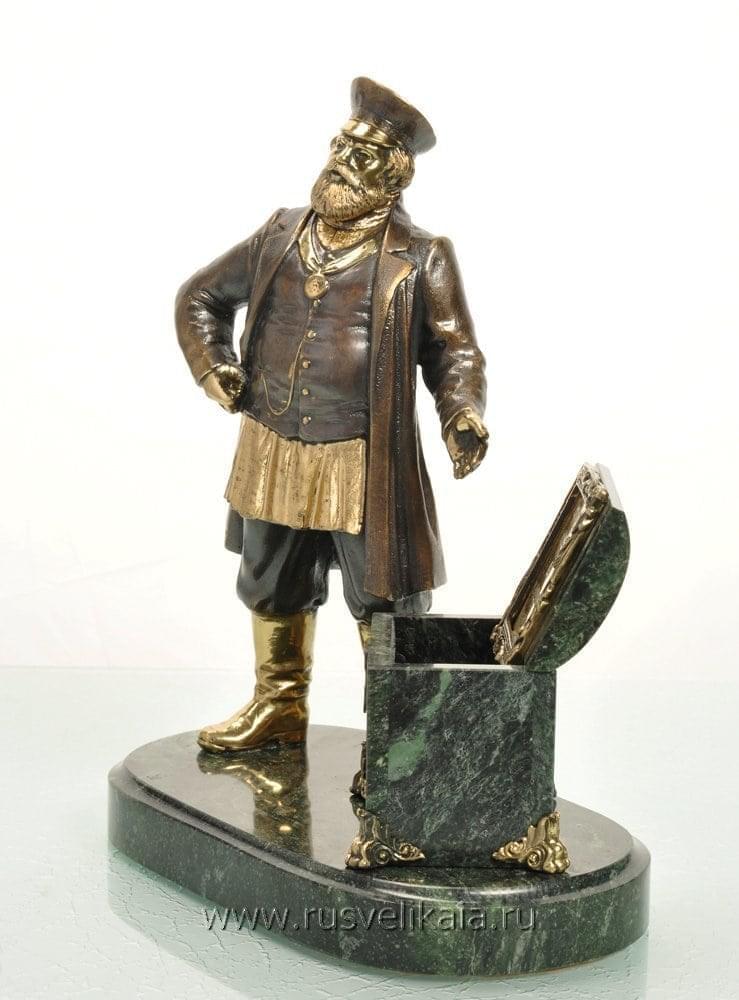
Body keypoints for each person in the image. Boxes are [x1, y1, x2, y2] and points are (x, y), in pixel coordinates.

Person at [175, 78, 488, 752]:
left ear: (393, 177)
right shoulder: (280, 234)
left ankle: (395, 738)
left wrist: (460, 411)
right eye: (341, 145)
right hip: (273, 444)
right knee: (270, 580)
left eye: (362, 155)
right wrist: (213, 366)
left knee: (385, 600)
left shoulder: (421, 256)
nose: (343, 160)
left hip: (363, 458)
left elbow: (454, 350)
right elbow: (200, 296)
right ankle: (278, 705)